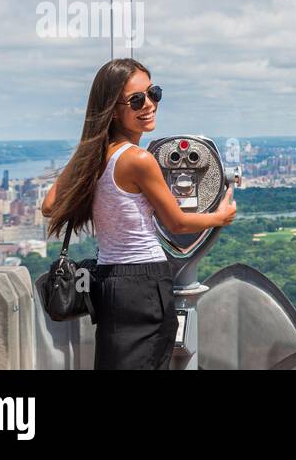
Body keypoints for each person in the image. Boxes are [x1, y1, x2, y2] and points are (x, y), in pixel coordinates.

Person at [41, 58, 236, 369]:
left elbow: (50, 206)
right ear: (113, 109)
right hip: (144, 283)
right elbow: (178, 222)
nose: (149, 104)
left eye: (153, 93)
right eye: (136, 100)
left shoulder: (91, 155)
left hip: (107, 281)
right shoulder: (139, 160)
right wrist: (220, 217)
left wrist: (90, 175)